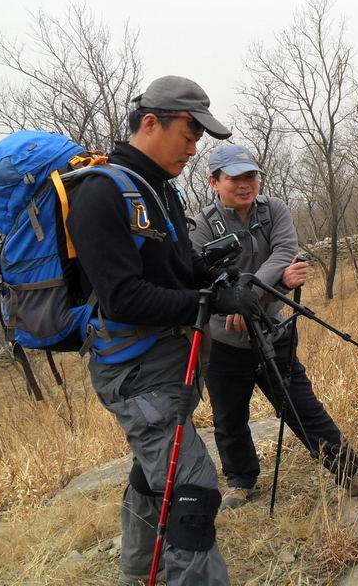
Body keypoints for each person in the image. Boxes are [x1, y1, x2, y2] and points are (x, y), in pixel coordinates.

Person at [67, 75, 241, 585]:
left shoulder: (159, 189)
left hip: (166, 363)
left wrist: (220, 281)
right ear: (151, 123)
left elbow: (177, 264)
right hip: (134, 370)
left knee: (151, 476)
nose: (194, 149)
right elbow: (123, 298)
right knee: (194, 489)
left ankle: (138, 574)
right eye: (189, 136)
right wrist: (204, 304)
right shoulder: (100, 194)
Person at [190, 144, 358, 510]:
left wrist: (247, 293)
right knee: (228, 413)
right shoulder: (203, 225)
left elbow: (285, 252)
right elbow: (203, 279)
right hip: (223, 338)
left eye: (251, 176)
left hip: (272, 330)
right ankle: (240, 480)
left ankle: (351, 472)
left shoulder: (274, 211)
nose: (245, 184)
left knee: (301, 404)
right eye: (234, 177)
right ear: (214, 181)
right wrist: (264, 287)